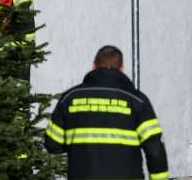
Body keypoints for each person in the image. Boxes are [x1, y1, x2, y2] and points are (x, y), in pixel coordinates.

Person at [44, 46, 169, 180]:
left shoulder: (70, 98)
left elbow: (52, 144)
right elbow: (155, 151)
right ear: (121, 69)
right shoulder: (137, 100)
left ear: (94, 66)